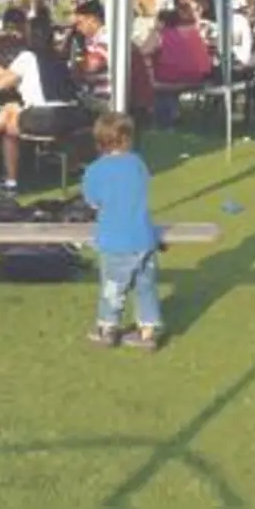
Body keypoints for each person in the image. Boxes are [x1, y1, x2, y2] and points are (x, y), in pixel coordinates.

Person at [0, 11, 90, 193]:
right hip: (71, 115)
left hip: (44, 117)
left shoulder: (27, 57)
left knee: (9, 127)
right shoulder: (58, 57)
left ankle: (10, 181)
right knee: (12, 109)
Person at [82, 112, 161, 351]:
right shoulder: (138, 163)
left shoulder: (95, 170)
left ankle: (108, 328)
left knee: (113, 287)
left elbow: (93, 202)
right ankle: (148, 332)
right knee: (145, 286)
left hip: (115, 240)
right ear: (128, 138)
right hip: (144, 238)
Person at [229, 0, 254, 65]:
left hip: (233, 58)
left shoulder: (228, 20)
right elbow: (244, 40)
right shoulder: (242, 21)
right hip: (240, 59)